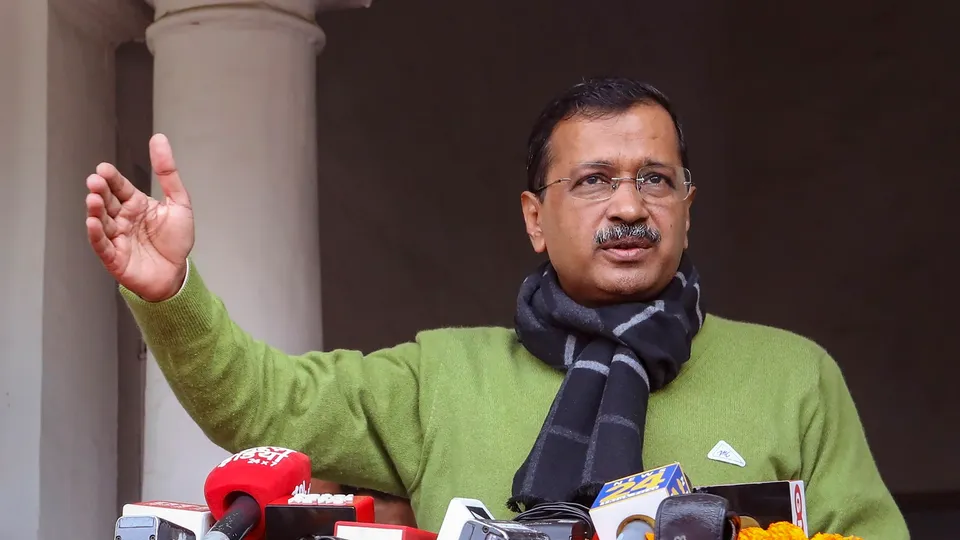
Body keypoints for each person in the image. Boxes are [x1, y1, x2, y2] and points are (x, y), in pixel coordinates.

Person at [85, 77, 908, 538]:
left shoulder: (794, 376)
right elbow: (263, 405)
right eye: (592, 181)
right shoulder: (438, 377)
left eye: (655, 179)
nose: (629, 206)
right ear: (533, 219)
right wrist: (171, 292)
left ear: (688, 206)